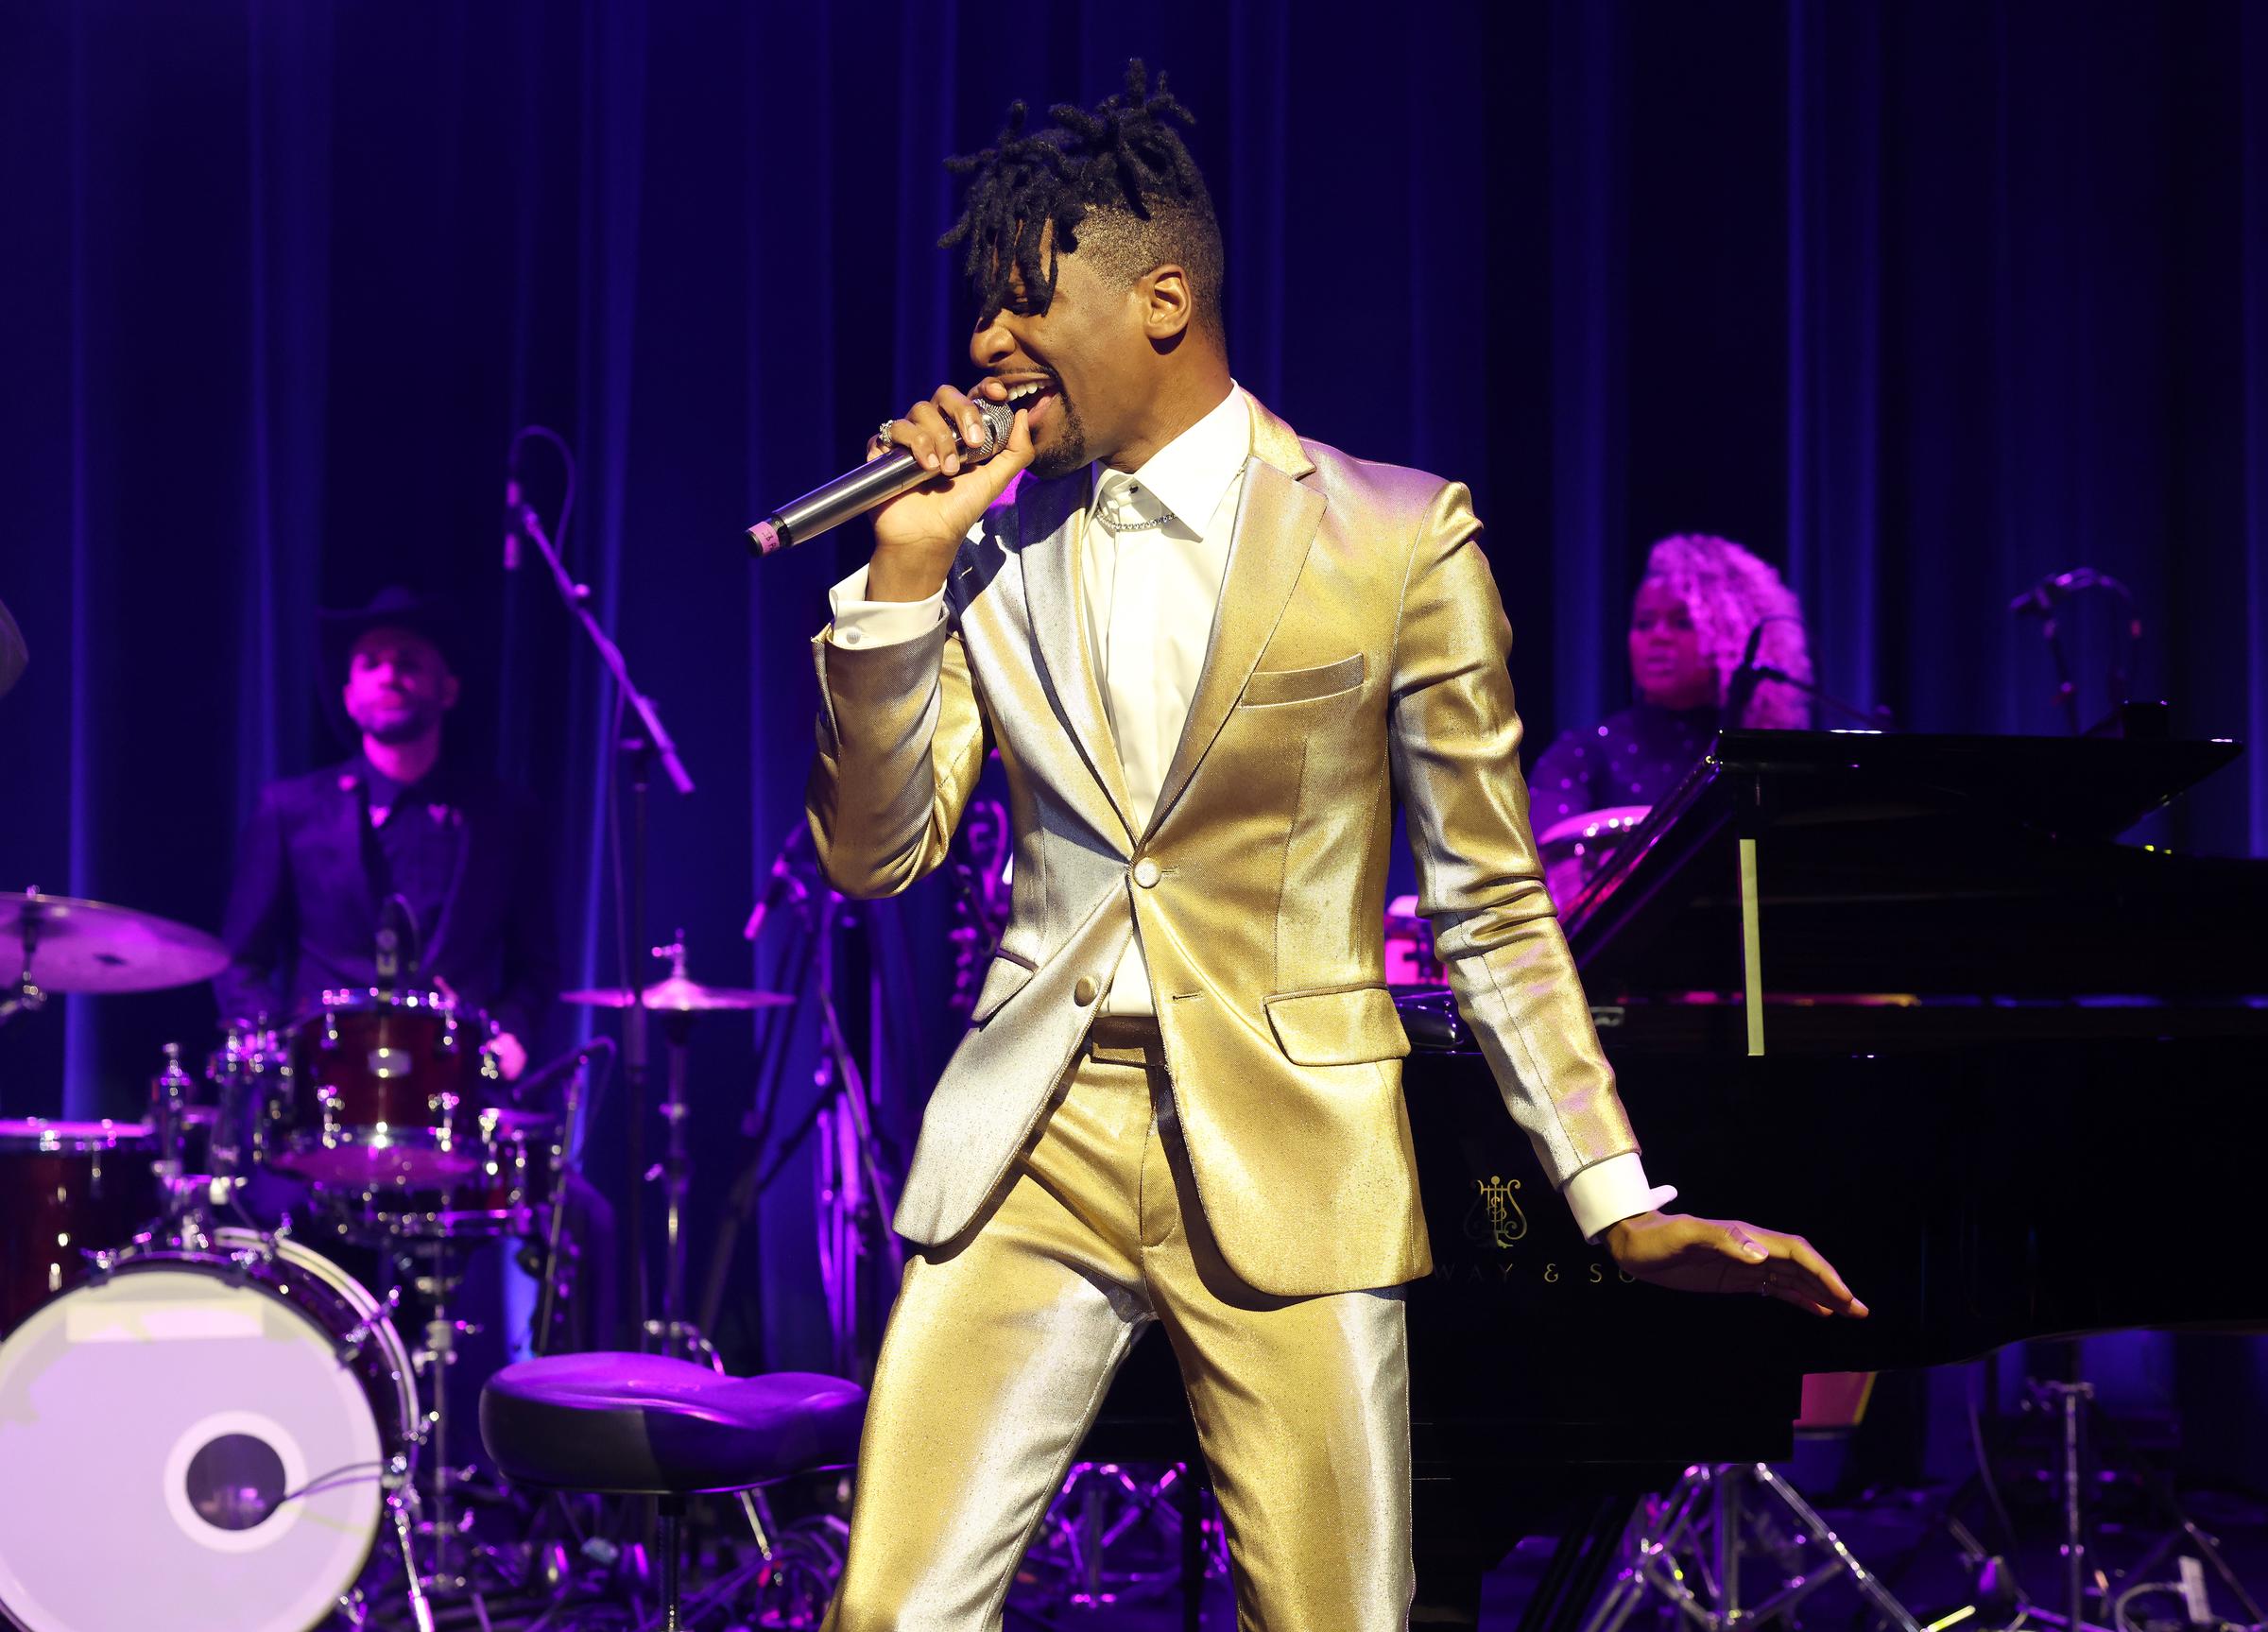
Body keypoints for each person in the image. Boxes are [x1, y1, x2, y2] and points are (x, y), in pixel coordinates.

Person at [804, 65, 1864, 1630]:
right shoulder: (993, 556)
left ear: (1161, 298)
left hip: (1292, 1136)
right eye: (981, 312)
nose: (983, 349)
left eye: (1025, 304)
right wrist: (902, 577)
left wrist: (1617, 1195)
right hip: (1034, 1140)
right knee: (888, 1615)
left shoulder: (1394, 537)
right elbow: (873, 856)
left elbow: (1494, 905)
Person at [215, 586, 558, 1077]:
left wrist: (512, 1033)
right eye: (370, 664)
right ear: (349, 698)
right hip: (323, 1085)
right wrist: (279, 1044)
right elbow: (239, 961)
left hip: (455, 1083)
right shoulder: (291, 809)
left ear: (448, 689)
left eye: (409, 662)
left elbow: (537, 965)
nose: (390, 676)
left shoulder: (506, 815)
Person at [1531, 532, 1814, 830]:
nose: (1658, 636)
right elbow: (1553, 862)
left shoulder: (1767, 762)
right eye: (1644, 623)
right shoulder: (1581, 756)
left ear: (1731, 636)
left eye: (1682, 623)